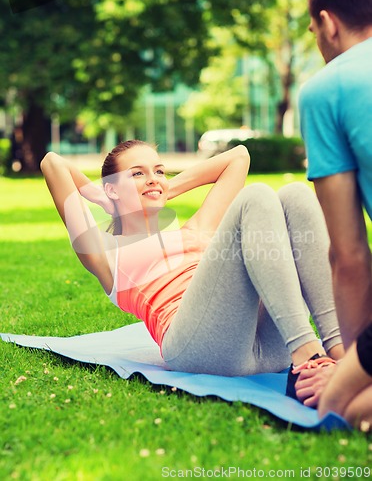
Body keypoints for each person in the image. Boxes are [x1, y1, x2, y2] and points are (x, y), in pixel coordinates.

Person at [40, 140, 344, 401]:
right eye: (137, 173)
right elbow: (52, 163)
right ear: (112, 189)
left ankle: (341, 350)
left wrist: (162, 188)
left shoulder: (198, 229)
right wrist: (102, 197)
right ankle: (308, 354)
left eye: (159, 170)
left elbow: (239, 156)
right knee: (256, 196)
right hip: (197, 349)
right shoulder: (105, 253)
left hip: (268, 347)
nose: (153, 178)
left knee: (295, 195)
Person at [298, 0, 372, 427]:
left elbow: (348, 257)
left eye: (312, 31)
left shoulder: (327, 89)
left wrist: (351, 373)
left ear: (328, 24)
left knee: (339, 408)